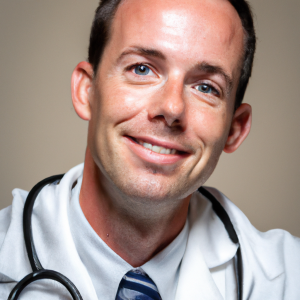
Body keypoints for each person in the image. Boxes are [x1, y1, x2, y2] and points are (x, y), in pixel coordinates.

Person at [0, 0, 299, 299]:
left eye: (206, 87)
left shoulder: (288, 276)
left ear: (234, 129)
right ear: (87, 91)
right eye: (141, 69)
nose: (171, 108)